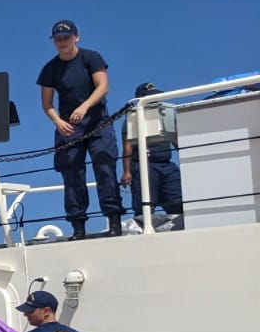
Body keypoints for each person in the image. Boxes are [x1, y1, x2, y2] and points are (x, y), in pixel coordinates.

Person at [37, 20, 123, 239]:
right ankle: (78, 227)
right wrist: (58, 121)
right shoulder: (50, 69)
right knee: (72, 174)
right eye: (58, 39)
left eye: (66, 37)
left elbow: (103, 86)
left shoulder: (91, 57)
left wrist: (84, 106)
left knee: (105, 168)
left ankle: (114, 221)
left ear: (76, 37)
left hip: (97, 122)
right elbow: (47, 104)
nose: (62, 42)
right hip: (69, 127)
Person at [121, 82, 184, 230]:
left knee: (177, 201)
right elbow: (127, 146)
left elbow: (175, 138)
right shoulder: (132, 118)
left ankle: (179, 230)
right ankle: (144, 233)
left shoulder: (166, 115)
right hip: (144, 164)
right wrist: (127, 171)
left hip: (166, 164)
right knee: (145, 206)